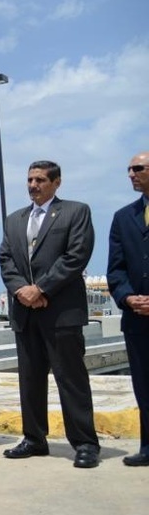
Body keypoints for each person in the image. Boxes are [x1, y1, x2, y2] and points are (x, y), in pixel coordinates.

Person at [0, 160, 100, 468]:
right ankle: (34, 438)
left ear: (56, 182)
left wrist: (40, 289)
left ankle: (84, 443)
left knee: (71, 379)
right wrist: (21, 291)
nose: (33, 185)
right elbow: (5, 259)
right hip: (25, 314)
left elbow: (76, 256)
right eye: (30, 179)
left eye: (40, 179)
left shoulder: (75, 212)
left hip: (60, 313)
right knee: (30, 380)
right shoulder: (14, 220)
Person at [107, 150, 149, 467]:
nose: (131, 174)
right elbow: (116, 269)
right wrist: (127, 297)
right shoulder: (124, 217)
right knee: (144, 385)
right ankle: (148, 446)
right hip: (136, 319)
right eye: (129, 169)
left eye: (138, 168)